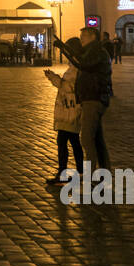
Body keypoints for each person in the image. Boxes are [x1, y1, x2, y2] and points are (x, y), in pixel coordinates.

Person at [55, 26, 112, 169]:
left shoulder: (96, 51)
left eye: (83, 36)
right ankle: (104, 173)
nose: (81, 39)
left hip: (93, 99)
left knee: (86, 140)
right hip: (92, 97)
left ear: (93, 36)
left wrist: (65, 49)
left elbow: (82, 63)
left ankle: (92, 176)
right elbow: (81, 60)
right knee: (97, 140)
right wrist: (65, 49)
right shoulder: (92, 51)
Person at [44, 36, 84, 186]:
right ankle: (79, 171)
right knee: (74, 141)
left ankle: (62, 174)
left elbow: (68, 87)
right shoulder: (76, 65)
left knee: (63, 142)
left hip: (70, 110)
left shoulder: (76, 67)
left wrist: (54, 78)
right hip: (70, 109)